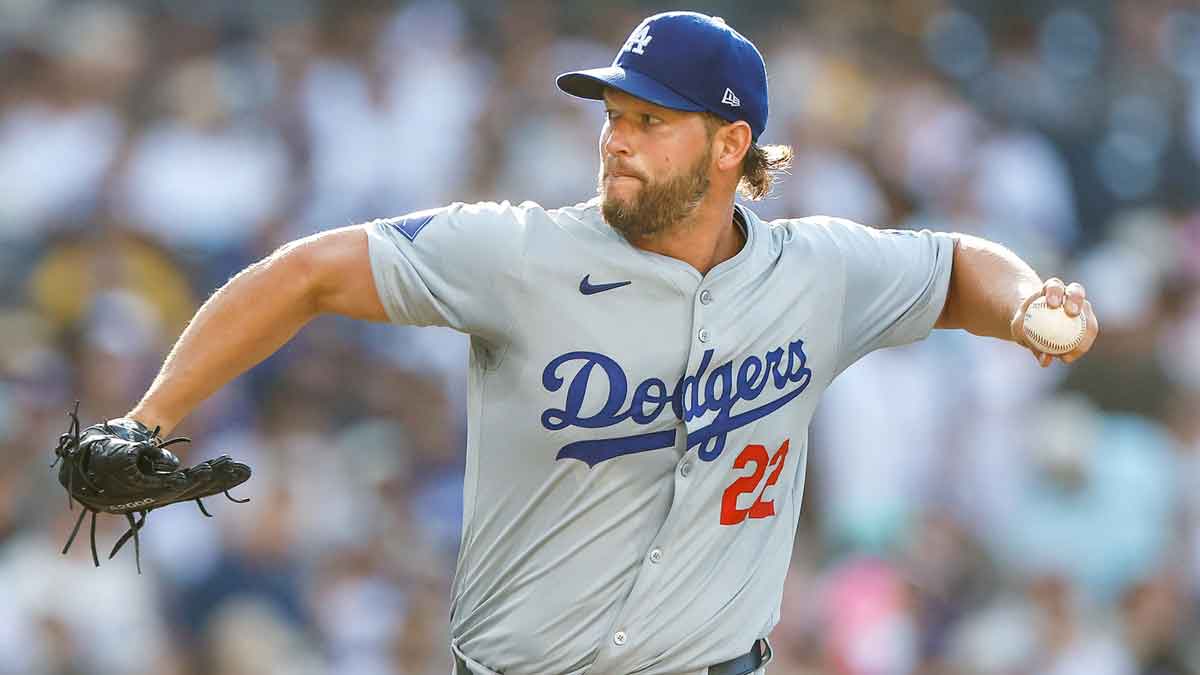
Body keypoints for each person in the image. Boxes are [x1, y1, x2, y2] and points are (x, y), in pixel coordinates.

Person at [107, 11, 1098, 675]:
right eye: (614, 114)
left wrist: (1024, 302)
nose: (615, 138)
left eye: (649, 119)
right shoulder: (519, 254)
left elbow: (955, 265)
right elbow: (304, 274)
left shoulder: (817, 272)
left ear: (729, 145)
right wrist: (145, 421)